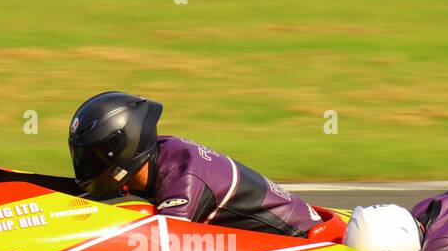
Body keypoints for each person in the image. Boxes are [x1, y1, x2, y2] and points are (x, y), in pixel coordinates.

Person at [67, 91, 320, 238]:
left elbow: (163, 246)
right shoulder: (160, 151)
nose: (87, 164)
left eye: (97, 155)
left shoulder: (182, 181)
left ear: (124, 149)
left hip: (300, 239)